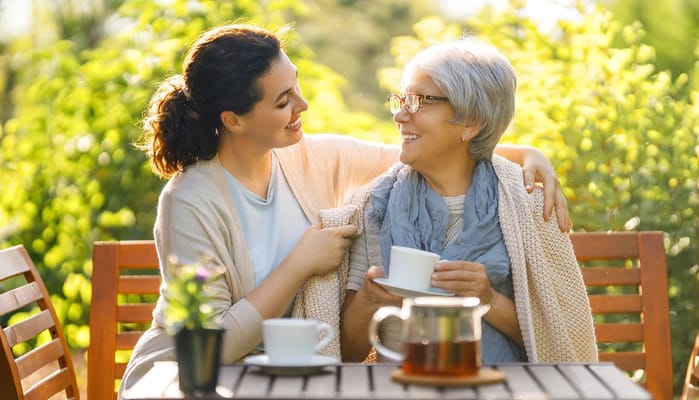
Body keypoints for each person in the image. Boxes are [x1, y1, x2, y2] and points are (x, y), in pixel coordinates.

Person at [119, 23, 573, 394]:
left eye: (296, 86)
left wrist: (526, 152)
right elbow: (205, 346)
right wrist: (299, 265)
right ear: (234, 120)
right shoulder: (191, 201)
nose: (304, 104)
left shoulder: (307, 156)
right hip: (188, 378)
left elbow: (423, 149)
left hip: (287, 375)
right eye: (283, 101)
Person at [341, 37, 598, 364]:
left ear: (472, 122)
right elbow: (347, 354)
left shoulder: (526, 201)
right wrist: (368, 299)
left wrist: (486, 298)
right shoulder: (375, 205)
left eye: (420, 101)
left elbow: (559, 340)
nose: (400, 116)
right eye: (402, 100)